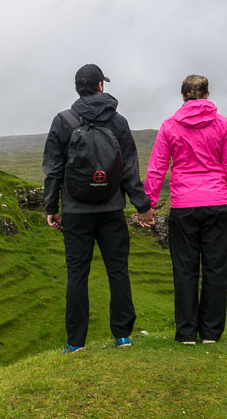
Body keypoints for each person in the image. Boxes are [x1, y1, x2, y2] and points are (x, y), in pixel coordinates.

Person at [43, 64, 155, 353]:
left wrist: (51, 207)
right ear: (100, 87)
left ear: (78, 88)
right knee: (117, 270)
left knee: (77, 274)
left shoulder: (63, 121)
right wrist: (142, 205)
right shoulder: (118, 122)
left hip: (76, 212)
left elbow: (53, 169)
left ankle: (75, 342)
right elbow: (129, 167)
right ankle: (122, 336)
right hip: (112, 209)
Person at [143, 74, 227, 345]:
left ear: (182, 96)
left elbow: (157, 168)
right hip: (216, 205)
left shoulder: (169, 127)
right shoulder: (223, 124)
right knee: (216, 269)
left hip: (183, 206)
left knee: (185, 269)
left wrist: (148, 205)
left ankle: (187, 333)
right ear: (207, 95)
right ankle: (211, 333)